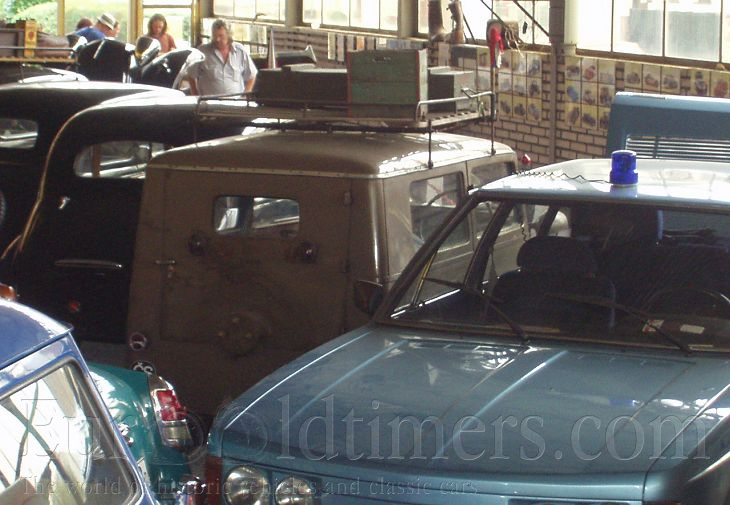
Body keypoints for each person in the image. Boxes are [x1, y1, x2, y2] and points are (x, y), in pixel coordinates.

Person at [187, 18, 257, 96]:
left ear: (229, 35)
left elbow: (252, 75)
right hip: (209, 102)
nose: (217, 39)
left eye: (221, 36)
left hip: (236, 102)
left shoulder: (240, 51)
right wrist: (196, 96)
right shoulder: (203, 51)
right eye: (215, 36)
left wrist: (245, 95)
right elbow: (191, 74)